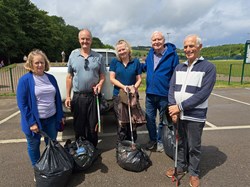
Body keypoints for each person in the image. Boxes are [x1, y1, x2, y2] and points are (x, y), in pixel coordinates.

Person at [166, 34, 216, 187]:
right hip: (178, 114)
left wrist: (179, 107)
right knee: (180, 143)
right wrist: (172, 109)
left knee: (194, 146)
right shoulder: (179, 67)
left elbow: (203, 94)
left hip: (195, 116)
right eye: (186, 46)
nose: (188, 49)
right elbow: (172, 89)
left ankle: (194, 173)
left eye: (191, 46)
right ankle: (180, 167)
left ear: (199, 47)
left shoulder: (208, 67)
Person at [16, 49, 65, 167]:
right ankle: (37, 170)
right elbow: (22, 104)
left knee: (52, 144)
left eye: (42, 62)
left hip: (51, 119)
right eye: (36, 63)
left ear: (45, 63)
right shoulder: (25, 80)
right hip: (34, 122)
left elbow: (57, 98)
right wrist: (31, 122)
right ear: (31, 64)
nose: (39, 65)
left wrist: (60, 115)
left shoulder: (51, 78)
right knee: (34, 146)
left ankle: (51, 167)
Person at [65, 29, 106, 148]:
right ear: (79, 40)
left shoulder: (98, 57)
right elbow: (69, 77)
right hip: (78, 97)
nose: (85, 41)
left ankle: (92, 149)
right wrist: (68, 96)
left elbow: (102, 76)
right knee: (79, 125)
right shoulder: (73, 55)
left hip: (93, 97)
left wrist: (100, 84)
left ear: (91, 40)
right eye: (82, 38)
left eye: (87, 38)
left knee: (93, 125)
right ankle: (80, 149)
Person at [142, 31, 179, 152]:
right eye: (154, 40)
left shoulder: (172, 55)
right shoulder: (150, 53)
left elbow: (175, 75)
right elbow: (145, 67)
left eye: (159, 39)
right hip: (150, 94)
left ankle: (160, 141)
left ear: (164, 41)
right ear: (151, 42)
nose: (156, 42)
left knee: (163, 121)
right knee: (149, 119)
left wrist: (173, 94)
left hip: (164, 94)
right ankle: (153, 140)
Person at [109, 39, 142, 143]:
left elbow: (139, 79)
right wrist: (124, 87)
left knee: (133, 121)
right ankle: (122, 146)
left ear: (128, 49)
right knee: (121, 123)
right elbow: (112, 79)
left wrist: (133, 88)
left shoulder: (135, 61)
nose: (122, 52)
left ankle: (132, 145)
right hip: (118, 96)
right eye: (119, 50)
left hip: (132, 95)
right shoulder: (115, 62)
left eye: (123, 49)